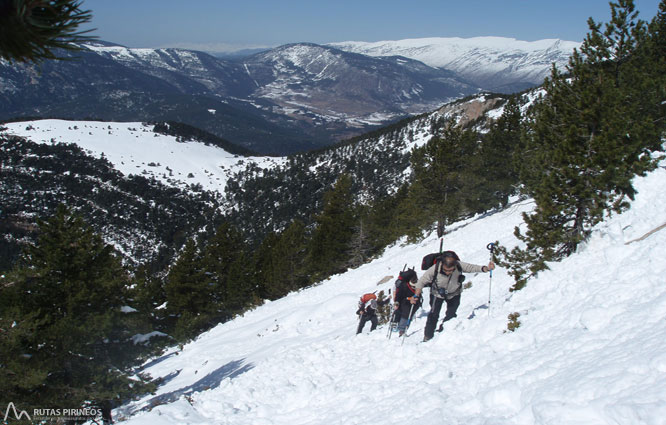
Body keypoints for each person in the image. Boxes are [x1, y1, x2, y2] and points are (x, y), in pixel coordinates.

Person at [412, 251, 495, 342]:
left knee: (451, 313)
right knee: (433, 314)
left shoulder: (458, 265)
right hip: (437, 293)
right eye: (446, 270)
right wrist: (416, 294)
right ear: (442, 265)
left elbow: (471, 267)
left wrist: (486, 268)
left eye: (451, 270)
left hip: (454, 292)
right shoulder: (435, 268)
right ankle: (428, 336)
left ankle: (444, 331)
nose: (448, 272)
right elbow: (422, 281)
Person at [393, 271, 420, 336]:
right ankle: (402, 330)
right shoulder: (404, 285)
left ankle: (404, 328)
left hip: (414, 302)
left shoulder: (418, 285)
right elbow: (399, 295)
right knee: (406, 313)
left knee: (409, 315)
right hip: (404, 301)